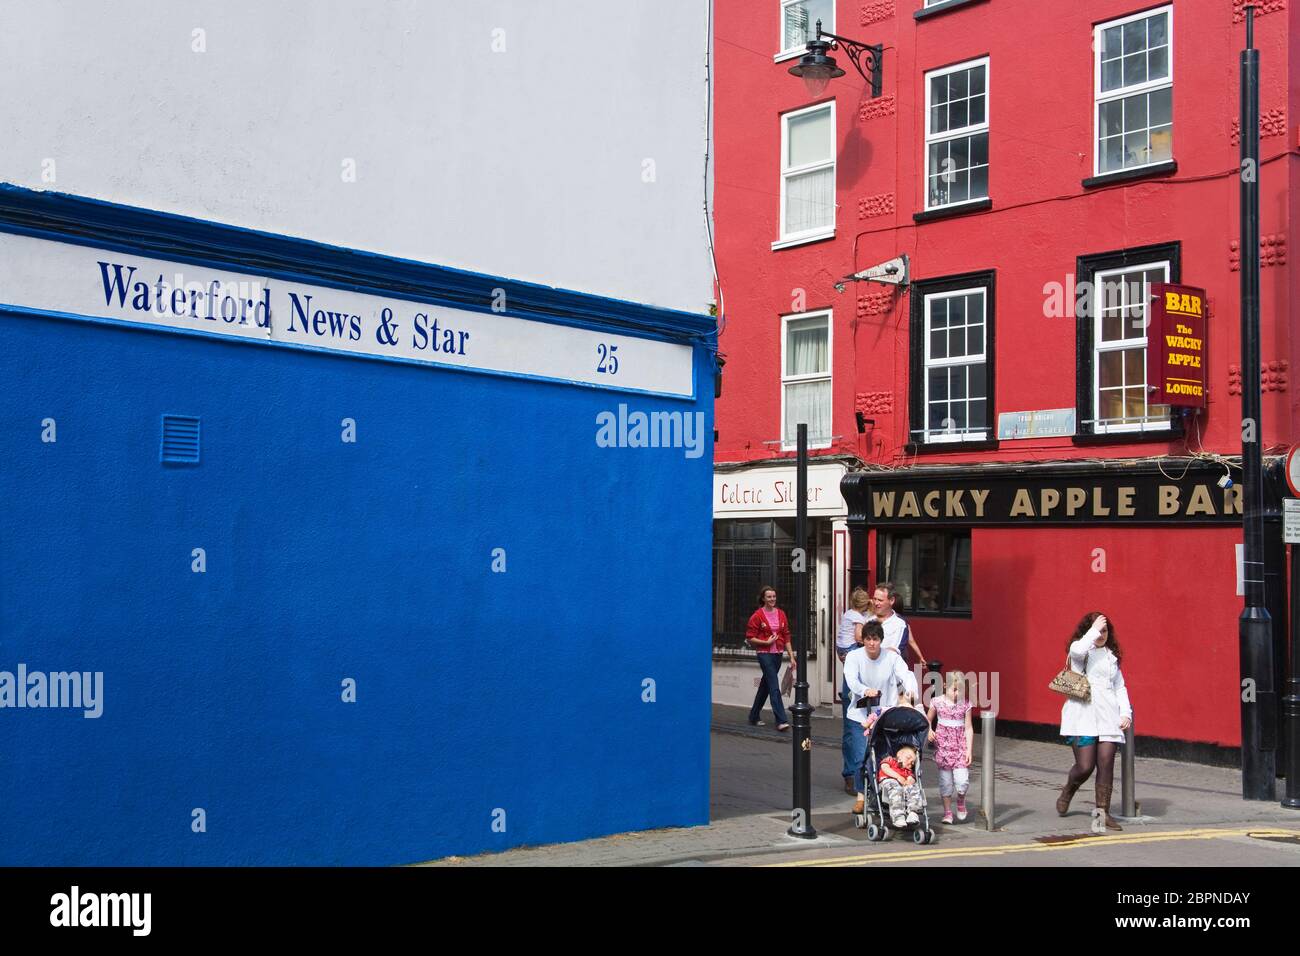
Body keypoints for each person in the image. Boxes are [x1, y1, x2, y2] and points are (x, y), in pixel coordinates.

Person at [1056, 612, 1132, 831]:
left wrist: (1125, 713)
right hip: (1083, 715)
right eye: (1098, 630)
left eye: (1105, 630)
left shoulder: (1111, 656)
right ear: (1088, 631)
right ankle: (1069, 788)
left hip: (1108, 717)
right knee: (1085, 766)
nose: (1101, 635)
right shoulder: (1080, 650)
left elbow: (1120, 687)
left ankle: (1102, 814)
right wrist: (1093, 630)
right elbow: (1076, 649)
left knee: (1106, 763)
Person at [843, 618, 912, 814]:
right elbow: (851, 680)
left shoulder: (891, 658)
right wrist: (865, 690)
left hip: (885, 715)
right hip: (860, 716)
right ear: (863, 640)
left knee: (883, 758)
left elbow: (906, 675)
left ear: (881, 640)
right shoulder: (854, 657)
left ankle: (883, 796)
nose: (872, 643)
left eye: (875, 639)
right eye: (868, 639)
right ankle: (861, 796)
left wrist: (911, 695)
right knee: (860, 757)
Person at [836, 587, 874, 794]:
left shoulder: (853, 615)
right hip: (855, 671)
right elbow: (859, 637)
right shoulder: (858, 618)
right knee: (853, 726)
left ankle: (866, 774)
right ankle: (853, 774)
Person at [928, 671, 974, 824]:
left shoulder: (966, 704)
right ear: (946, 686)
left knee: (962, 781)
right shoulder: (937, 702)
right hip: (943, 748)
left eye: (960, 690)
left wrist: (969, 750)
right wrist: (929, 731)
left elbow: (968, 727)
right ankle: (947, 812)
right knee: (945, 782)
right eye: (953, 690)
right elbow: (927, 720)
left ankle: (961, 799)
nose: (956, 694)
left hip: (960, 747)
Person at [746, 585, 792, 731]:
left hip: (777, 654)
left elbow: (786, 636)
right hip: (764, 655)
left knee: (765, 686)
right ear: (763, 599)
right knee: (774, 685)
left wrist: (791, 656)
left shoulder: (781, 614)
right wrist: (765, 642)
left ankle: (753, 716)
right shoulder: (757, 616)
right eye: (769, 597)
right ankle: (781, 720)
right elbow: (750, 637)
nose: (772, 599)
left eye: (774, 596)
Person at [872, 583, 927, 668]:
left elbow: (893, 651)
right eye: (874, 599)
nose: (876, 603)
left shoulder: (900, 624)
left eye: (880, 600)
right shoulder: (868, 620)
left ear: (892, 601)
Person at [878, 744, 923, 828]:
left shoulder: (907, 771)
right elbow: (884, 768)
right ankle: (898, 816)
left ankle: (913, 812)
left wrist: (910, 780)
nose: (911, 762)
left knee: (913, 787)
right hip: (889, 782)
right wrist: (898, 777)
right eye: (908, 758)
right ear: (899, 754)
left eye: (913, 762)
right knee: (896, 788)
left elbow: (911, 778)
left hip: (903, 786)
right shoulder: (890, 760)